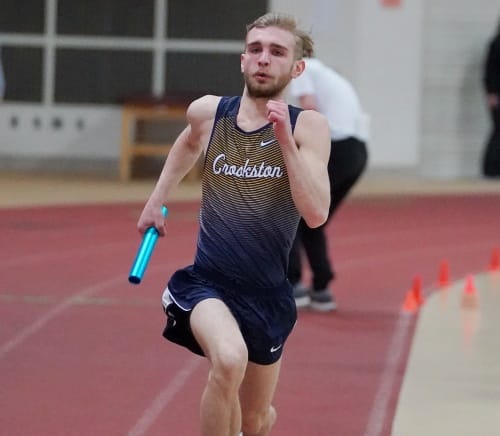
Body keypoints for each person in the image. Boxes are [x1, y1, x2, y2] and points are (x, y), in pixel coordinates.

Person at [136, 12, 331, 436]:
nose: (264, 58)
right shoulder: (209, 113)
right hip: (208, 284)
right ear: (243, 60)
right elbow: (188, 142)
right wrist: (156, 200)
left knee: (256, 419)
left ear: (297, 67)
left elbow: (316, 213)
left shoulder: (309, 128)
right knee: (228, 360)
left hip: (267, 295)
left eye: (277, 52)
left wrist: (284, 141)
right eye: (255, 49)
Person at [287, 44, 368, 311]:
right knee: (314, 217)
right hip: (357, 152)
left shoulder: (303, 70)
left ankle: (293, 284)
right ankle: (321, 288)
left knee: (294, 211)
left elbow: (310, 111)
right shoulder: (328, 73)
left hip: (338, 148)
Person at [482, 18, 500, 177]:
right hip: (497, 95)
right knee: (498, 131)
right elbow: (489, 71)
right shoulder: (496, 44)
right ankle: (490, 168)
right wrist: (491, 92)